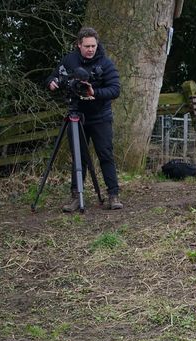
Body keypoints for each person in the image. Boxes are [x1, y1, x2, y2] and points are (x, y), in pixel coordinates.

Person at [46, 27, 122, 211]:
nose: (90, 49)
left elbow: (115, 90)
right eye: (86, 46)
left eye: (93, 46)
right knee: (78, 158)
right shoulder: (69, 60)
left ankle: (113, 195)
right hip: (76, 116)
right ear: (78, 45)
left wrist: (94, 92)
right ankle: (76, 196)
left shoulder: (105, 63)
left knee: (105, 154)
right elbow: (53, 76)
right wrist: (52, 82)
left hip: (100, 117)